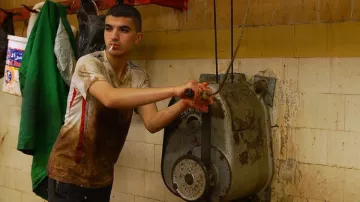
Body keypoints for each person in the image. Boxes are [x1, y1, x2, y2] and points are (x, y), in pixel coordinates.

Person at [46, 3, 213, 202]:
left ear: (138, 38)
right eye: (109, 28)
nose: (114, 36)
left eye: (123, 30)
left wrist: (184, 103)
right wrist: (176, 89)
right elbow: (110, 98)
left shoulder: (137, 76)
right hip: (68, 175)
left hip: (101, 178)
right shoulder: (89, 63)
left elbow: (152, 122)